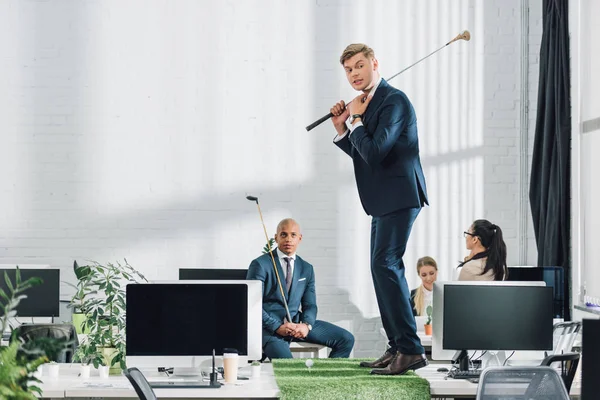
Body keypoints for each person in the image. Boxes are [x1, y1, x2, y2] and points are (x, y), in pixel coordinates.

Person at [329, 44, 429, 375]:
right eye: (348, 70)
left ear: (375, 63)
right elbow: (365, 154)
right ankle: (399, 345)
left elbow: (374, 152)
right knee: (379, 267)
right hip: (383, 198)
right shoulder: (368, 104)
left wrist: (355, 118)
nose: (355, 74)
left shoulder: (393, 101)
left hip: (401, 194)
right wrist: (344, 128)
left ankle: (411, 350)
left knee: (386, 264)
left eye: (360, 66)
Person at [247, 218, 354, 360]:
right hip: (269, 328)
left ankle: (328, 378)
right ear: (276, 237)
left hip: (296, 323)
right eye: (283, 234)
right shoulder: (260, 264)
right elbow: (252, 303)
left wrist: (306, 325)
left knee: (346, 339)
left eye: (293, 235)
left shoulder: (306, 268)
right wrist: (277, 326)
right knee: (289, 367)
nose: (288, 239)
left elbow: (310, 305)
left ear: (300, 238)